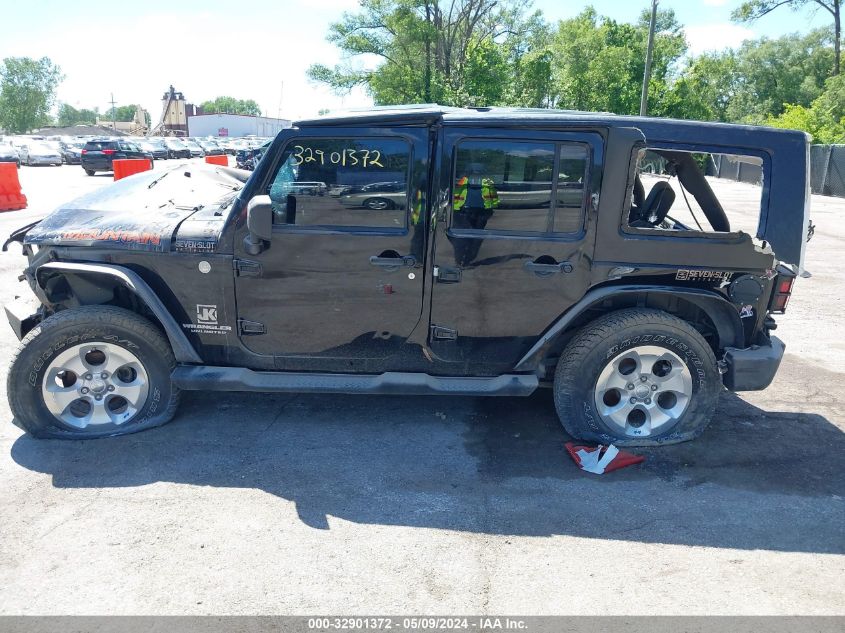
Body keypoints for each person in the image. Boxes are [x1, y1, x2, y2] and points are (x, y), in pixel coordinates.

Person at [450, 162, 499, 265]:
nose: (476, 174)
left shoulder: (488, 182)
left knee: (477, 237)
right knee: (464, 237)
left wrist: (491, 209)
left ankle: (468, 258)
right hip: (464, 211)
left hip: (482, 213)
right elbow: (456, 194)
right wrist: (455, 209)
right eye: (473, 172)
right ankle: (460, 259)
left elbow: (493, 196)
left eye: (478, 172)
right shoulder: (462, 181)